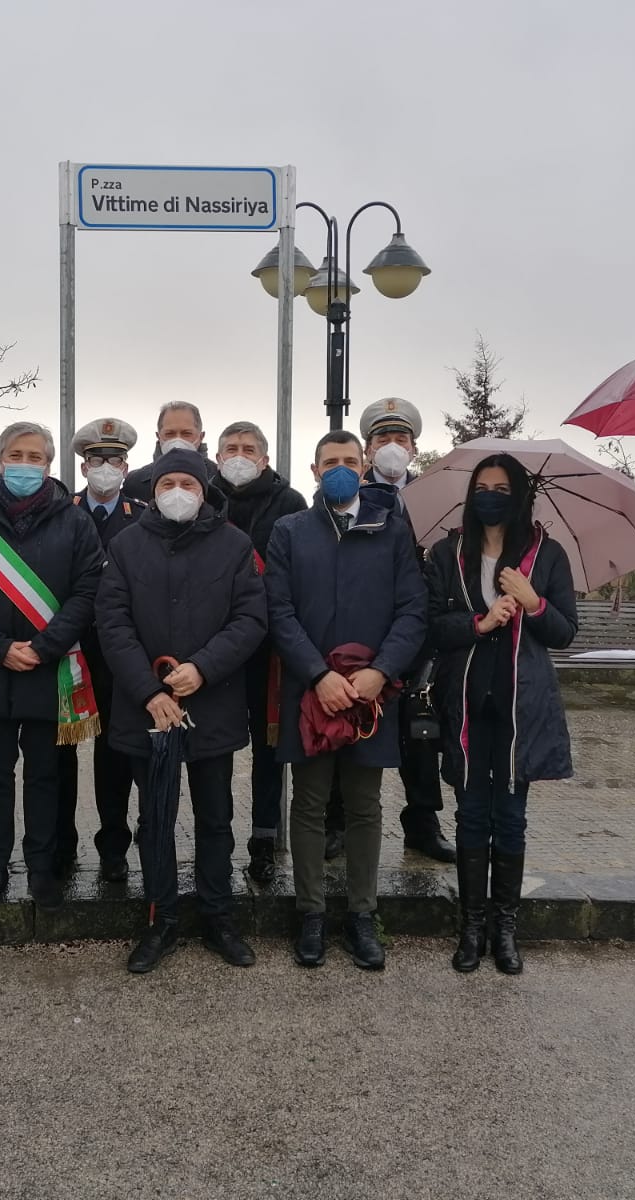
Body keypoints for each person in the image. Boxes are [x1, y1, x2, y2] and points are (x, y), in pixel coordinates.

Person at [97, 448, 268, 973]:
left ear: (203, 489)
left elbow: (250, 618)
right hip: (147, 709)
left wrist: (203, 668)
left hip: (211, 706)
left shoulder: (235, 545)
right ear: (153, 491)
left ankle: (218, 915)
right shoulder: (126, 545)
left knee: (216, 818)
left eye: (188, 484)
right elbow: (113, 622)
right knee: (156, 820)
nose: (178, 492)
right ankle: (161, 918)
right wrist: (150, 691)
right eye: (168, 482)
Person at [265, 430, 427, 971]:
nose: (339, 468)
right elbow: (279, 611)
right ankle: (310, 912)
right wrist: (316, 674)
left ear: (363, 469)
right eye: (329, 461)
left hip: (371, 694)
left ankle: (363, 914)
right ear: (314, 471)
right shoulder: (289, 531)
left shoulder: (394, 531)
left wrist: (382, 671)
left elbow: (412, 611)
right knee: (308, 805)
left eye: (348, 461)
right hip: (311, 691)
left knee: (364, 806)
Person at [427, 453, 578, 975]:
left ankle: (505, 929)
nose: (490, 494)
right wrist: (480, 621)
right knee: (470, 813)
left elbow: (564, 632)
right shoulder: (449, 553)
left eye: (501, 487)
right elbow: (431, 627)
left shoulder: (547, 555)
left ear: (518, 496)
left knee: (510, 817)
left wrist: (533, 603)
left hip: (520, 707)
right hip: (466, 704)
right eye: (482, 486)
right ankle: (470, 927)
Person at [0, 421, 102, 913]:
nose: (26, 465)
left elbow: (87, 591)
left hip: (46, 668)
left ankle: (40, 869)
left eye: (36, 457)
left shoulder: (75, 522)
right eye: (17, 455)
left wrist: (44, 645)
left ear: (50, 465)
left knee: (45, 774)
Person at [321, 397, 456, 866]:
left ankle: (423, 824)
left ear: (414, 448)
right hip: (357, 635)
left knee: (420, 734)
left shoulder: (437, 502)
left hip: (416, 635)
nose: (392, 447)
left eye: (401, 439)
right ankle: (336, 823)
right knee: (348, 728)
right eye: (383, 439)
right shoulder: (344, 495)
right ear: (368, 448)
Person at [211, 419, 306, 883]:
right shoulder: (202, 499)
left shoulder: (290, 503)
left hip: (271, 648)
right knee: (220, 748)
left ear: (265, 458)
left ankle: (264, 841)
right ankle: (218, 839)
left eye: (249, 448)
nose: (239, 455)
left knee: (270, 753)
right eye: (231, 447)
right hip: (218, 648)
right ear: (217, 456)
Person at [57, 417, 145, 882]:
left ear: (126, 466)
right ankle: (61, 844)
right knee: (60, 751)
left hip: (118, 653)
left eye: (114, 460)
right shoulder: (62, 511)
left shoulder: (144, 515)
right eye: (96, 460)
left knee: (115, 752)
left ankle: (113, 846)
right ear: (84, 465)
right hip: (68, 649)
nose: (105, 467)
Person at [122, 402, 218, 503]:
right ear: (159, 437)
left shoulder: (219, 479)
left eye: (186, 434)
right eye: (170, 434)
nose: (178, 440)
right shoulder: (135, 482)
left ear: (201, 437)